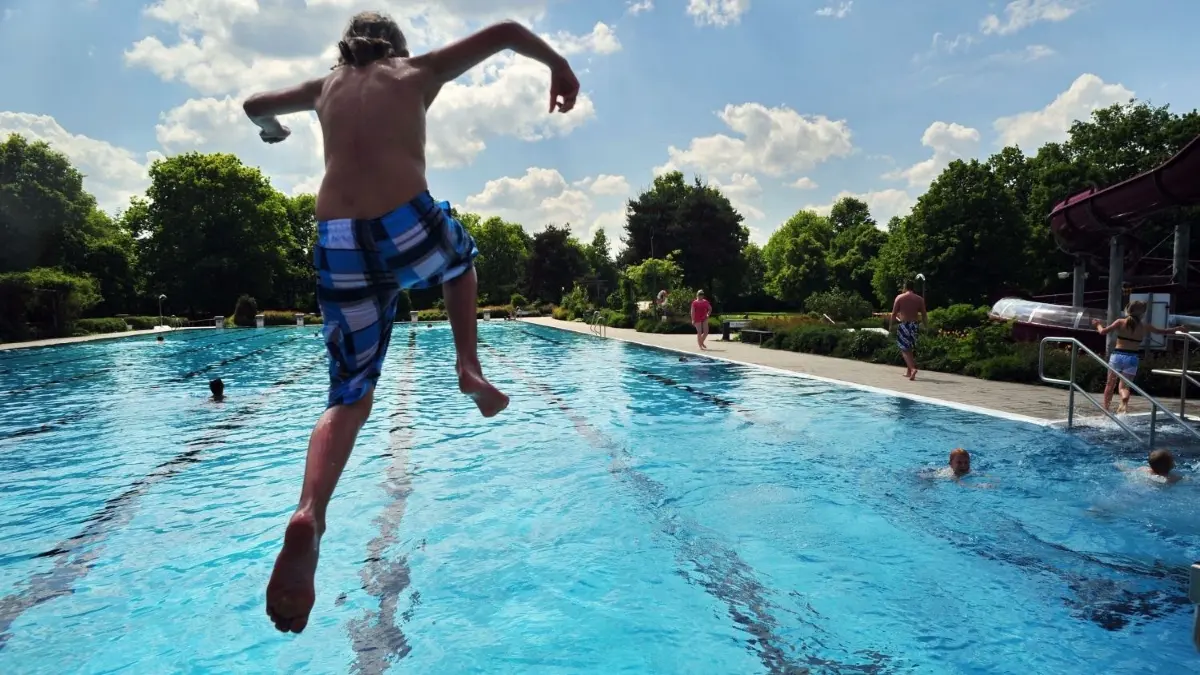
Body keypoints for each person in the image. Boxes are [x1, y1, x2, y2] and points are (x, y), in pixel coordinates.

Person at [243, 12, 579, 634]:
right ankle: (468, 367)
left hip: (336, 236)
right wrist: (557, 65)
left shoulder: (324, 88)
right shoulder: (419, 71)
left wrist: (272, 128)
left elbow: (254, 102)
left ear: (345, 50)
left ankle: (310, 512)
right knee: (459, 259)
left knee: (348, 393)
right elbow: (506, 29)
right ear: (399, 48)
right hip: (403, 220)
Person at [1092, 300, 1184, 413]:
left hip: (1117, 355)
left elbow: (1103, 332)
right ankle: (1124, 400)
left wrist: (1098, 325)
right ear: (1142, 313)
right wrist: (1176, 329)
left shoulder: (1120, 322)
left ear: (1128, 310)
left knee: (1110, 384)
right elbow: (1163, 332)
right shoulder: (1145, 326)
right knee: (1124, 387)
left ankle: (1106, 409)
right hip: (1132, 358)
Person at [889, 280, 927, 381]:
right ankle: (908, 372)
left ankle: (913, 369)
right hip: (914, 325)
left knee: (904, 349)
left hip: (904, 325)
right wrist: (926, 326)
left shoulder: (900, 297)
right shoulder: (919, 299)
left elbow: (893, 313)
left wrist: (891, 325)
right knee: (909, 347)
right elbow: (924, 314)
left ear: (905, 287)